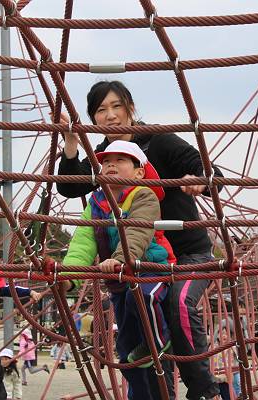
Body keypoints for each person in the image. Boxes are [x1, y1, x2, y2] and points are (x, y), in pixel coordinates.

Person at [56, 80, 222, 400]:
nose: (110, 115)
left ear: (130, 108)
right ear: (93, 118)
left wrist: (200, 179)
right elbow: (69, 186)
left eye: (117, 106)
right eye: (101, 110)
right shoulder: (105, 158)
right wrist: (71, 141)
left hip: (187, 253)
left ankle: (203, 390)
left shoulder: (159, 141)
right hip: (141, 262)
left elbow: (206, 168)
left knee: (178, 305)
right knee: (142, 324)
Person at [59, 141, 175, 399]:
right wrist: (69, 278)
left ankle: (159, 341)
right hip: (119, 279)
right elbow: (83, 243)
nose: (111, 164)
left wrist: (120, 259)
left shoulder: (143, 195)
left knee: (143, 296)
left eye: (120, 160)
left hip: (150, 269)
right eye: (106, 161)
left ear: (139, 172)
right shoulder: (96, 204)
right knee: (126, 351)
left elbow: (137, 231)